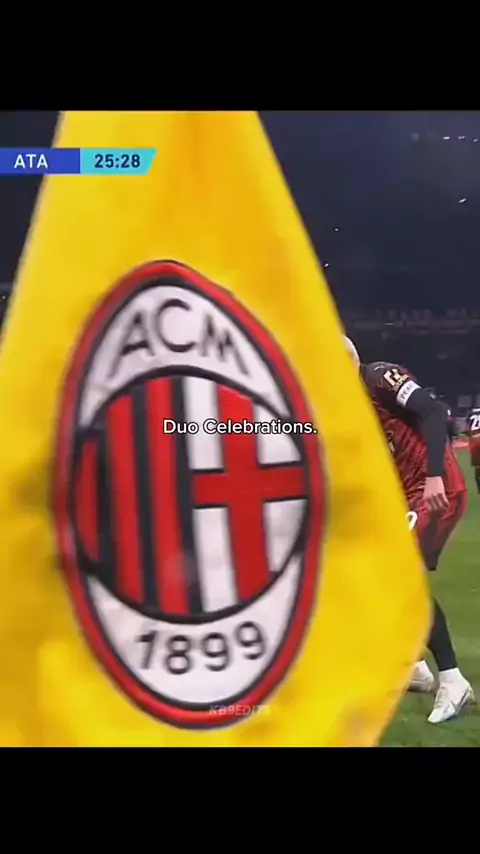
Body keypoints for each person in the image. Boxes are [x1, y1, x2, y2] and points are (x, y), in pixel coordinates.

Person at [345, 337, 474, 724]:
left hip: (435, 489)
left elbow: (433, 412)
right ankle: (413, 666)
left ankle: (452, 680)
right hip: (404, 497)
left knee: (402, 577)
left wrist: (434, 476)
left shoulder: (379, 377)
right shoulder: (348, 408)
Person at [466, 406, 480, 495]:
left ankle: (479, 486)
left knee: (477, 466)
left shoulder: (470, 413)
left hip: (474, 441)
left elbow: (468, 426)